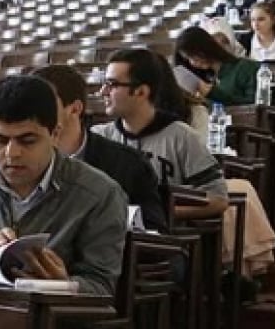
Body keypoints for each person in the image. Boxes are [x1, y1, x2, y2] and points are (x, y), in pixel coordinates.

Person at [0, 75, 128, 296]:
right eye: (0, 140)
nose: (12, 153)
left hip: (53, 316)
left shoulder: (100, 194)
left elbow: (102, 288)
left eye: (27, 141)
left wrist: (64, 285)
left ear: (55, 135)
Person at [0, 66, 168, 233]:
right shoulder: (3, 166)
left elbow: (153, 237)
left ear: (74, 109)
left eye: (44, 100)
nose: (13, 152)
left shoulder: (127, 166)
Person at [92, 46, 229, 220]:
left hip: (164, 234)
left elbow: (218, 198)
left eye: (112, 85)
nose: (103, 92)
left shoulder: (182, 137)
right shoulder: (99, 137)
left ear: (141, 92)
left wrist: (156, 214)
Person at [175, 26, 261, 107]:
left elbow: (254, 106)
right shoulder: (208, 78)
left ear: (205, 47)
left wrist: (212, 93)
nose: (192, 62)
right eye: (188, 59)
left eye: (193, 56)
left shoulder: (245, 68)